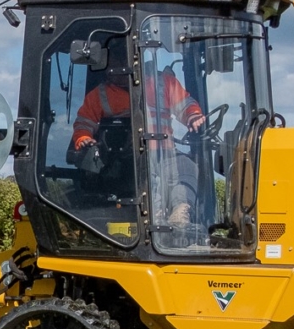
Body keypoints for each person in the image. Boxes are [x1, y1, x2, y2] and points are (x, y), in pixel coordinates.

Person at [69, 62, 206, 228]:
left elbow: (185, 104)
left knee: (186, 168)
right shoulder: (101, 94)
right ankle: (153, 215)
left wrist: (192, 116)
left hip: (165, 152)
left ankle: (180, 209)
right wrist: (83, 137)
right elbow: (84, 122)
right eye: (112, 70)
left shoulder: (164, 82)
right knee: (148, 181)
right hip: (125, 159)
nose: (115, 74)